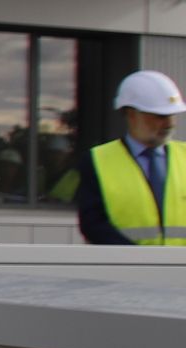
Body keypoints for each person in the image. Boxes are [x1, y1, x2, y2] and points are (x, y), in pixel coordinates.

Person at [77, 69, 186, 245]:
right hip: (124, 268)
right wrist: (136, 260)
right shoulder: (97, 160)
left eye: (172, 115)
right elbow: (93, 224)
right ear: (131, 115)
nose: (170, 124)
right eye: (160, 116)